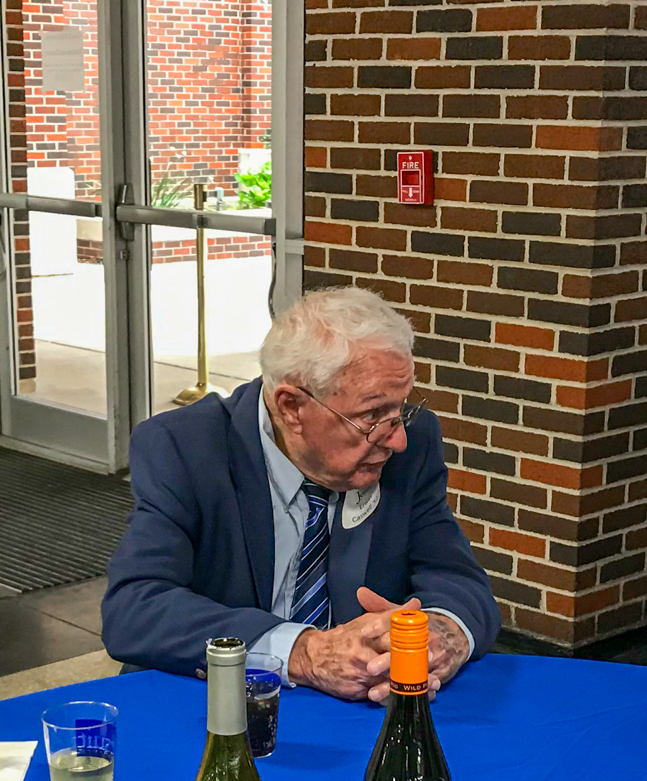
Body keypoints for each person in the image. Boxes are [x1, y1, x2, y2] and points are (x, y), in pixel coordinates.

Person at [103, 285, 500, 700]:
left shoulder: (413, 443)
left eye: (400, 408)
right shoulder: (184, 448)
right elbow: (134, 609)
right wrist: (305, 652)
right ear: (291, 407)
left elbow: (458, 579)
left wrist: (440, 633)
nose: (397, 438)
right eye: (372, 414)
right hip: (213, 705)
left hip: (356, 709)